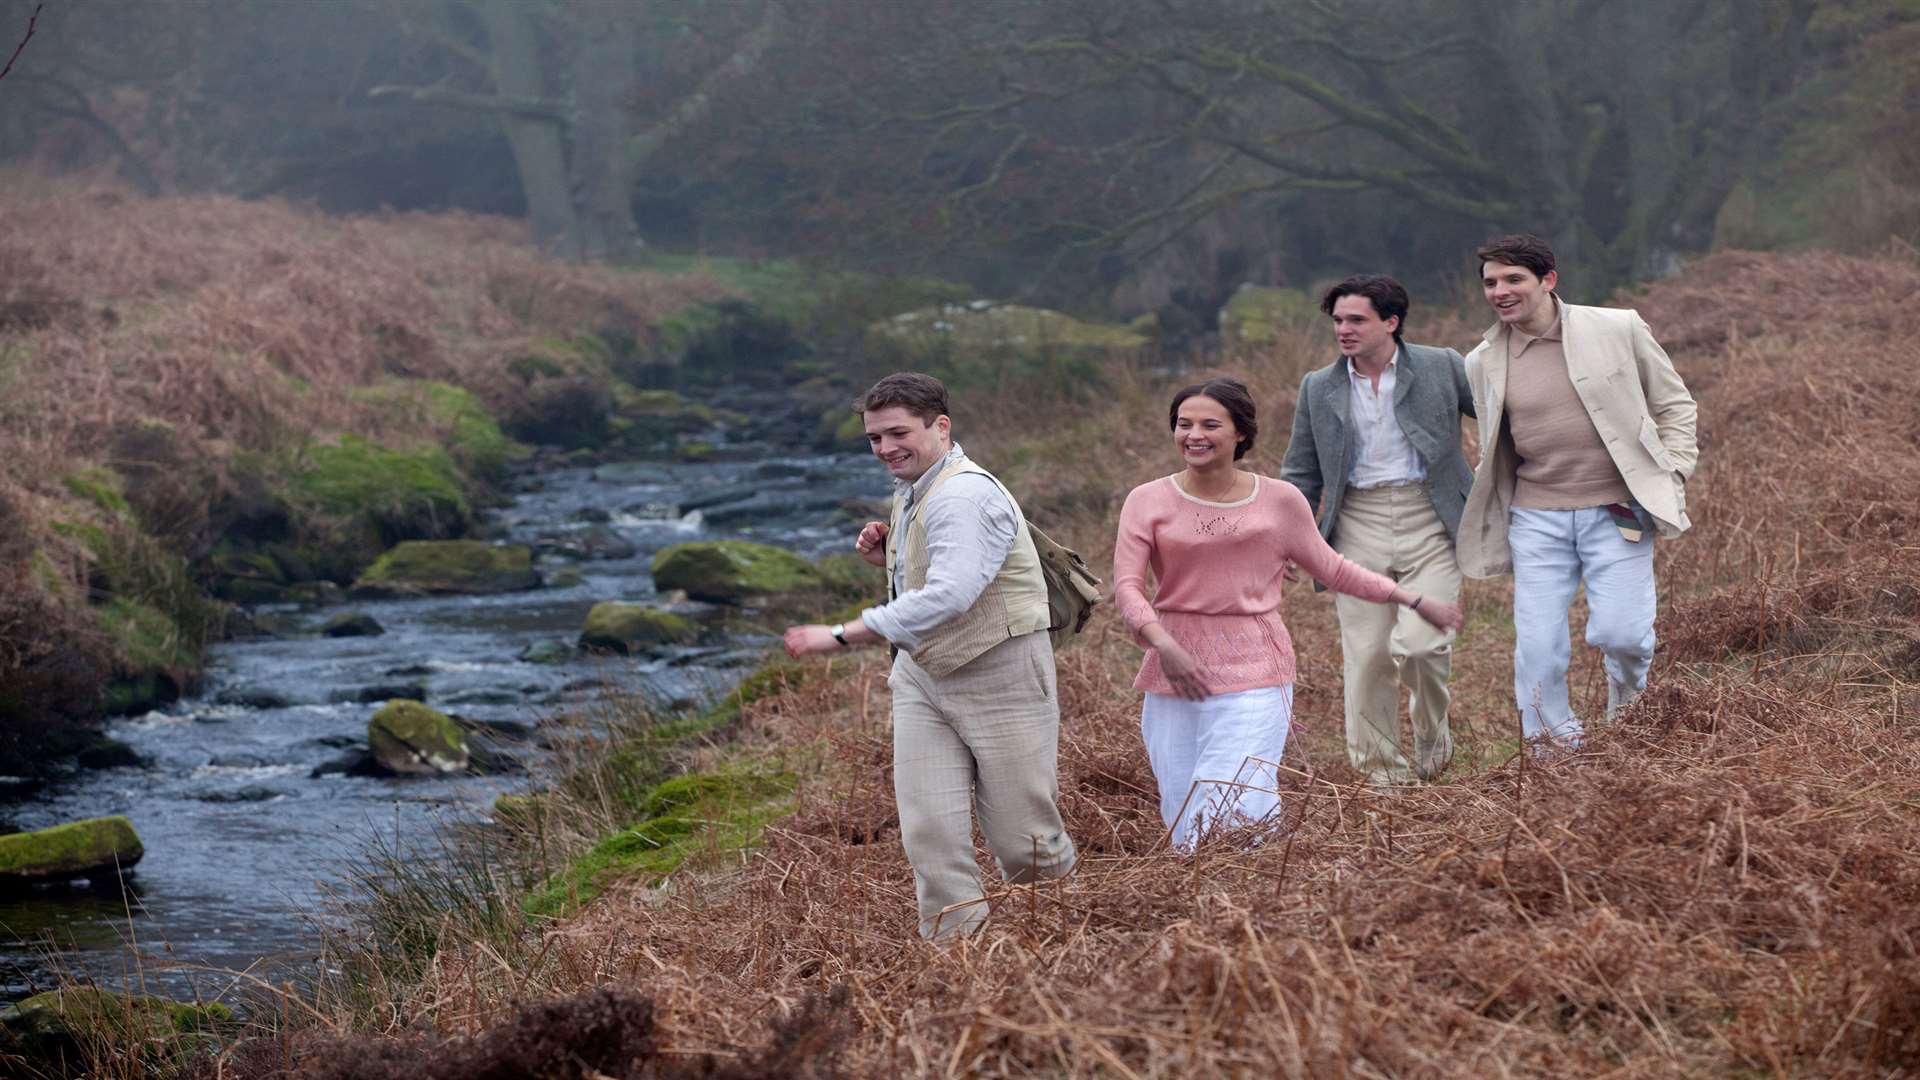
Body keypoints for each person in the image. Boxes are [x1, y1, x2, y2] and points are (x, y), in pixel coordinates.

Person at [782, 372, 1075, 939]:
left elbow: (952, 595)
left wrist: (844, 634)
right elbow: (939, 573)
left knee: (1025, 843)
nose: (885, 449)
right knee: (930, 835)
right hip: (921, 678)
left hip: (1002, 671)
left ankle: (1064, 948)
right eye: (874, 438)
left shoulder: (965, 494)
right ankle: (956, 964)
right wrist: (892, 554)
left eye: (897, 433)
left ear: (941, 426)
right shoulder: (914, 487)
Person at [1113, 378, 1463, 849]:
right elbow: (1128, 588)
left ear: (1240, 433)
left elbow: (1333, 568)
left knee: (1226, 801)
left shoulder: (1279, 500)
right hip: (1172, 670)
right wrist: (1164, 644)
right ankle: (1214, 911)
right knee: (1180, 806)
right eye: (1184, 424)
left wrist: (1414, 600)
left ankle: (1243, 898)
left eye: (1210, 425)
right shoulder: (1147, 499)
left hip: (1255, 668)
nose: (1194, 435)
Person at [1456, 234, 1698, 746]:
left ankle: (1628, 719)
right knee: (1538, 649)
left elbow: (1674, 404)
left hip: (1618, 512)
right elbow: (1494, 445)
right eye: (1490, 282)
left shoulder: (1618, 327)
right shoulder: (1481, 361)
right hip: (1536, 518)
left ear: (1548, 280)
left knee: (1624, 636)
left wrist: (1673, 473)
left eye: (1513, 279)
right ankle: (1554, 753)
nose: (1500, 291)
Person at [1281, 274, 1477, 789]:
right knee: (1367, 656)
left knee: (1420, 647)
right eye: (1338, 321)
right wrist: (1282, 538)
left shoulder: (1442, 365)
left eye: (1356, 320)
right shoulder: (1318, 386)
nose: (1343, 330)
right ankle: (1382, 778)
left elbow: (1504, 421)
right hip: (1356, 523)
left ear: (1390, 322)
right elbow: (1301, 472)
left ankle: (1433, 732)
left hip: (1431, 517)